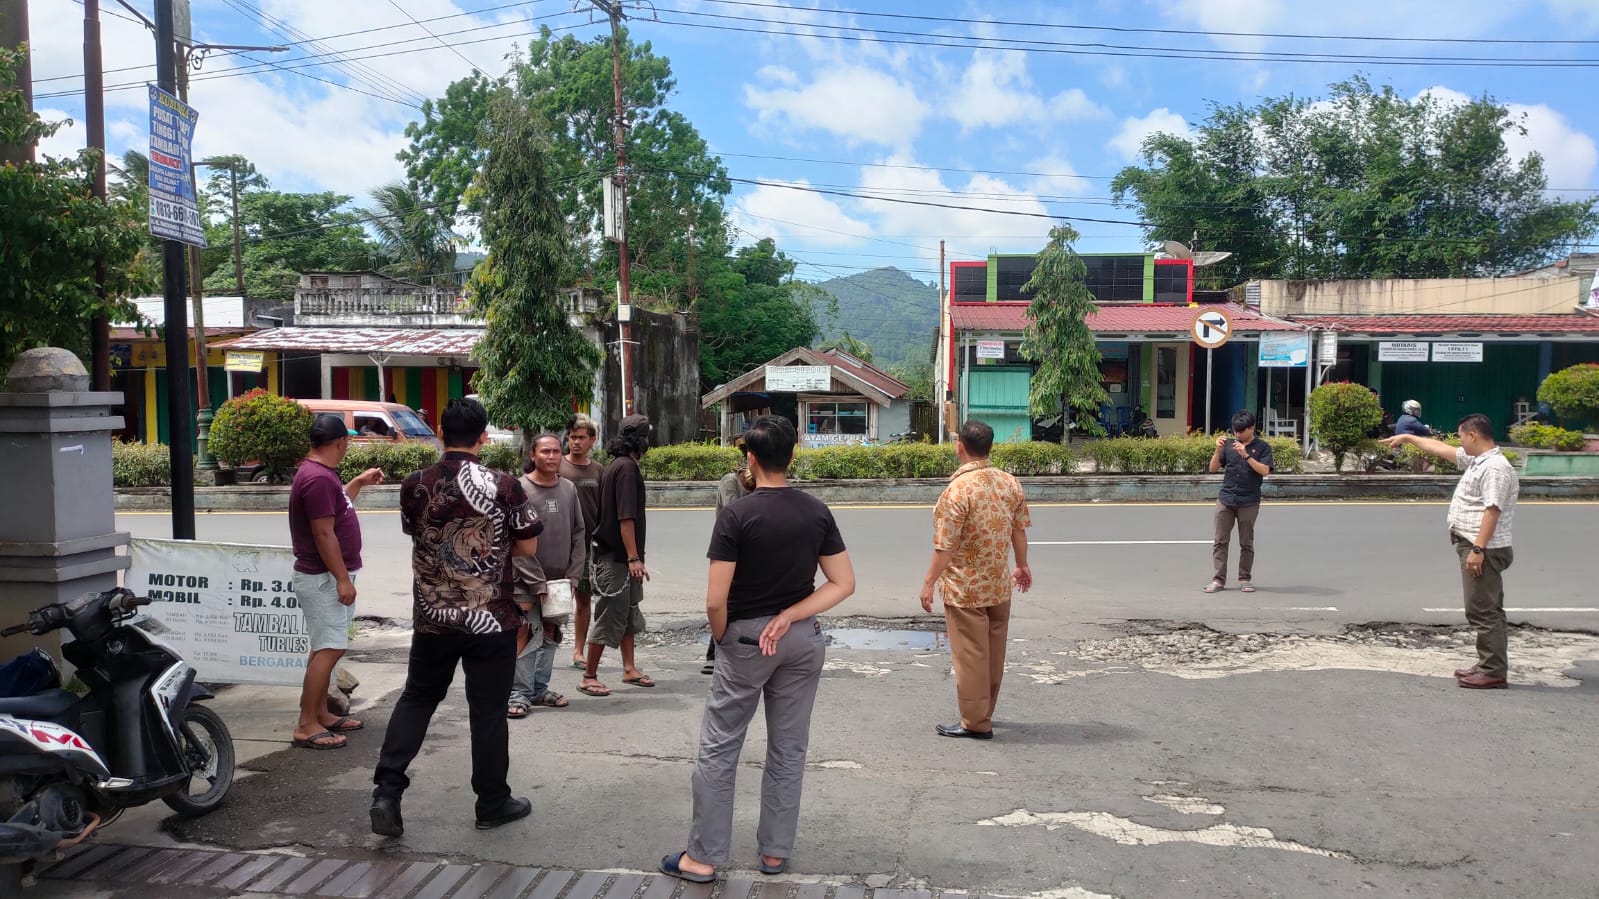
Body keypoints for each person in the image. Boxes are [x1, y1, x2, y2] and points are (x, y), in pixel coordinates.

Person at [659, 415, 855, 884]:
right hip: (802, 641)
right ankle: (774, 853)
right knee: (789, 747)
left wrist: (726, 638)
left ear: (750, 458)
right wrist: (790, 616)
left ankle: (703, 858)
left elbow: (714, 599)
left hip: (746, 640)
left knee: (721, 745)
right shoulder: (815, 511)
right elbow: (843, 583)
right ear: (792, 455)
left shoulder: (736, 515)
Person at [370, 398, 543, 837]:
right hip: (492, 619)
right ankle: (492, 802)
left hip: (433, 619)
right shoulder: (505, 485)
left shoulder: (414, 483)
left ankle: (387, 793)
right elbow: (528, 547)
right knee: (487, 712)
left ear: (442, 434)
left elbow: (417, 535)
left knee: (417, 698)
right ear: (484, 437)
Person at [1382, 414, 1519, 689]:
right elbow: (1442, 450)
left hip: (1484, 547)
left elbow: (1492, 510)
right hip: (1478, 544)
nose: (1458, 442)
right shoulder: (1479, 461)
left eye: (1460, 436)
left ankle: (1492, 670)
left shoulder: (1494, 468)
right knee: (1489, 607)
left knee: (1481, 609)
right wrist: (1409, 437)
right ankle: (1488, 663)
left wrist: (1478, 549)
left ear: (1473, 436)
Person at [917, 419, 1032, 741]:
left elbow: (945, 547)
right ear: (991, 447)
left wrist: (928, 584)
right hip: (998, 583)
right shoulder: (1009, 483)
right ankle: (985, 711)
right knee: (994, 652)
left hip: (966, 588)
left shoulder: (957, 490)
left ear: (959, 446)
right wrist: (1021, 566)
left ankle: (976, 721)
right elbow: (1018, 530)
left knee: (970, 655)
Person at [287, 414, 383, 750]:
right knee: (329, 649)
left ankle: (319, 714)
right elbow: (323, 532)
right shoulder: (317, 479)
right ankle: (306, 724)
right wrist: (342, 579)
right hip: (322, 578)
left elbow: (337, 507)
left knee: (324, 647)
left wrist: (358, 482)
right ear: (341, 442)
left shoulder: (321, 475)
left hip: (324, 576)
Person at [508, 433, 585, 717]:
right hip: (525, 581)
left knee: (551, 633)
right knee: (526, 634)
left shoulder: (568, 489)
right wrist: (537, 582)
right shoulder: (519, 488)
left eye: (555, 451)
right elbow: (513, 540)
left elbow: (579, 533)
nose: (552, 457)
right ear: (532, 455)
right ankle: (519, 693)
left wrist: (573, 576)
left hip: (561, 582)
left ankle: (540, 689)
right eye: (545, 452)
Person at [580, 414, 654, 697]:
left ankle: (629, 668)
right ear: (639, 440)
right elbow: (626, 518)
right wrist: (634, 558)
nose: (649, 440)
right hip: (617, 558)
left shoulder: (621, 466)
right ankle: (589, 675)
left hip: (623, 557)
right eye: (646, 436)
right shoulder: (626, 469)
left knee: (629, 611)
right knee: (610, 613)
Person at [1205, 410, 1274, 594]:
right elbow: (1212, 469)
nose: (1237, 434)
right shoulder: (1228, 445)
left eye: (1241, 431)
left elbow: (1265, 471)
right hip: (1226, 498)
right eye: (1235, 431)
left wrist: (1246, 455)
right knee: (1220, 540)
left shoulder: (1263, 447)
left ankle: (1245, 578)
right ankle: (1218, 580)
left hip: (1249, 500)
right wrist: (1218, 449)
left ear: (1251, 429)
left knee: (1246, 542)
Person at [704, 433, 756, 675]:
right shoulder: (730, 481)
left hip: (752, 552)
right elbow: (733, 511)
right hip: (730, 551)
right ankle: (713, 654)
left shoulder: (761, 482)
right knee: (723, 603)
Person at [561, 413, 605, 670]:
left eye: (581, 437)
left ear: (592, 440)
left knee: (583, 600)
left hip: (587, 546)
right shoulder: (557, 466)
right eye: (572, 437)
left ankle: (578, 651)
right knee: (552, 598)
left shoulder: (598, 470)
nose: (576, 442)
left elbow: (602, 509)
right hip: (558, 545)